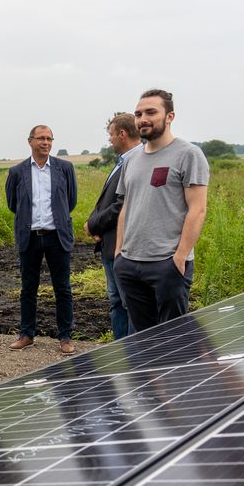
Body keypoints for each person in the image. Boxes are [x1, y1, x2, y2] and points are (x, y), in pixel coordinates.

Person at [114, 89, 209, 331]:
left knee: (173, 339)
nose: (142, 118)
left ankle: (178, 372)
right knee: (144, 340)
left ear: (170, 116)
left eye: (151, 112)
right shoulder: (131, 160)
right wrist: (119, 256)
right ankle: (149, 372)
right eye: (138, 113)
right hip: (129, 263)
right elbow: (126, 207)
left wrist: (179, 257)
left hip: (167, 263)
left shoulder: (188, 154)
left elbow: (197, 209)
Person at [5, 125, 77, 354]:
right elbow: (12, 204)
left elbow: (71, 200)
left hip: (57, 236)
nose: (46, 143)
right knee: (28, 288)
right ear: (30, 141)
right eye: (41, 139)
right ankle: (27, 334)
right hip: (30, 237)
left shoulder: (64, 168)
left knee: (63, 288)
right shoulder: (17, 172)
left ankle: (65, 337)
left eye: (49, 139)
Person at [84, 112, 141, 340]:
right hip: (109, 242)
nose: (110, 140)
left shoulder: (136, 162)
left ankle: (131, 353)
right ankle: (120, 349)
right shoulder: (123, 161)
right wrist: (97, 227)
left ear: (122, 134)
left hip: (124, 246)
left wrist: (93, 224)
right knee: (116, 300)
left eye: (111, 135)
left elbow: (122, 204)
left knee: (128, 303)